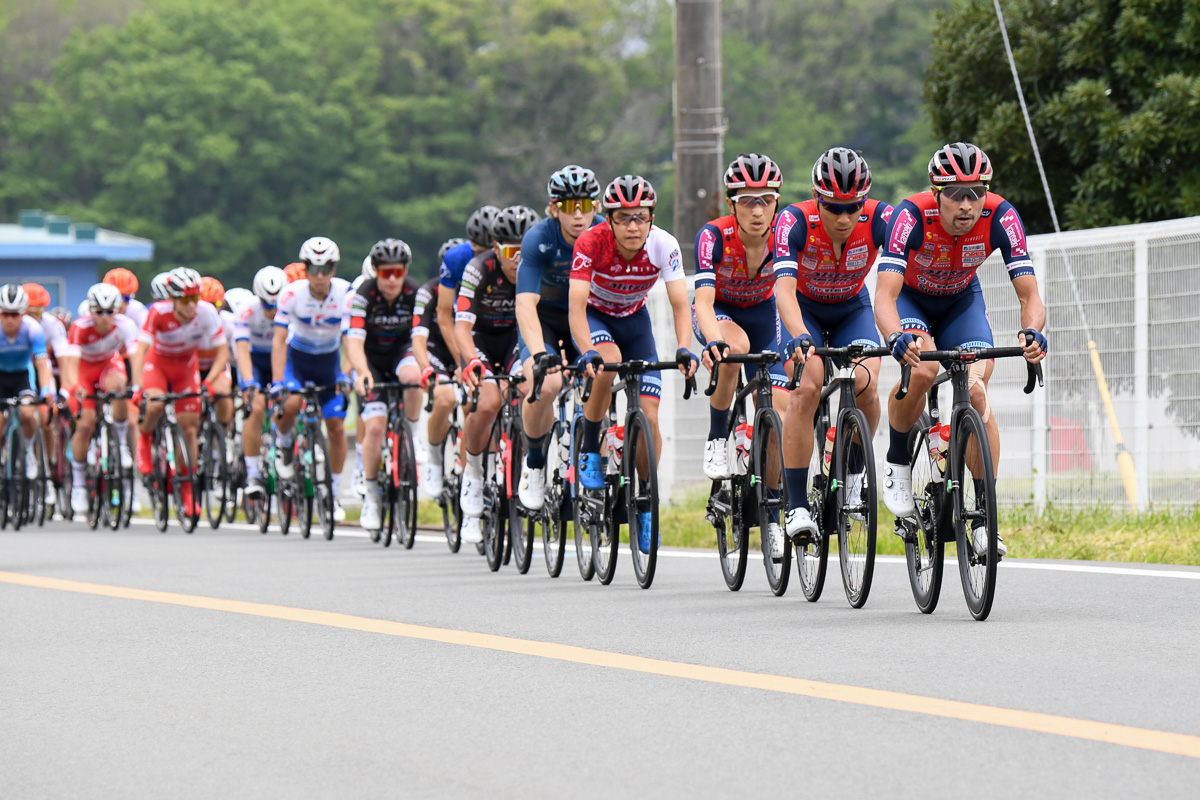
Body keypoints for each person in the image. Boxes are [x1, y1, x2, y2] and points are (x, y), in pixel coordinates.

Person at [875, 142, 1048, 558]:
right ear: (937, 193)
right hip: (911, 300)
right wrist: (896, 335)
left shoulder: (1001, 215)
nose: (967, 203)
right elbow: (884, 296)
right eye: (955, 194)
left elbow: (1030, 295)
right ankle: (898, 462)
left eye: (976, 191)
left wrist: (1032, 331)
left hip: (960, 301)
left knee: (974, 389)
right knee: (921, 370)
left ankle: (987, 519)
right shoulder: (910, 215)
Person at [568, 175, 697, 551]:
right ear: (608, 219)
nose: (632, 226)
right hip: (596, 318)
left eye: (640, 217)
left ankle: (644, 501)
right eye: (622, 218)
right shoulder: (590, 242)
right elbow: (576, 306)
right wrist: (586, 348)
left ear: (651, 218)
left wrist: (684, 348)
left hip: (635, 323)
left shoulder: (663, 245)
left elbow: (678, 305)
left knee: (651, 417)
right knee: (608, 363)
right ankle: (591, 446)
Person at [774, 147, 894, 543]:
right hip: (803, 310)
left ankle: (855, 471)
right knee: (807, 385)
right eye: (834, 208)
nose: (845, 218)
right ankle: (794, 506)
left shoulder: (880, 218)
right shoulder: (794, 220)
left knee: (866, 383)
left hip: (850, 308)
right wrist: (798, 335)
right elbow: (784, 291)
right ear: (817, 198)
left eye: (853, 207)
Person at [693, 154, 790, 485]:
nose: (758, 211)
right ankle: (718, 437)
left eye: (766, 200)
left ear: (777, 202)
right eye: (747, 201)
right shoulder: (713, 236)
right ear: (733, 206)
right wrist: (713, 340)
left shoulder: (785, 235)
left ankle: (772, 513)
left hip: (763, 314)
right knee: (734, 347)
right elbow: (702, 302)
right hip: (720, 311)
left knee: (781, 412)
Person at [514, 165, 604, 510]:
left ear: (596, 206)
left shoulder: (604, 233)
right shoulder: (539, 238)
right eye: (568, 207)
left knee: (604, 373)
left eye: (584, 205)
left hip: (587, 315)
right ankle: (535, 462)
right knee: (547, 386)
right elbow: (525, 305)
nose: (578, 214)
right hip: (547, 318)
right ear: (554, 209)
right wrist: (538, 356)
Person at [455, 205, 540, 544]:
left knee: (532, 389)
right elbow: (462, 326)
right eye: (509, 252)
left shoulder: (541, 267)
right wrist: (472, 360)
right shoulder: (479, 269)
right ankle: (473, 474)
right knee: (488, 402)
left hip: (516, 343)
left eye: (524, 251)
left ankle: (529, 466)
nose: (518, 260)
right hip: (481, 342)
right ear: (495, 248)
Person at [130, 268, 228, 517]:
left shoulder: (206, 313)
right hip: (159, 364)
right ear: (172, 299)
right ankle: (144, 437)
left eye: (195, 299)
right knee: (154, 406)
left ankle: (187, 489)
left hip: (186, 366)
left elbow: (223, 353)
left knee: (190, 427)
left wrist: (211, 381)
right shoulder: (158, 312)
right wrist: (138, 386)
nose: (191, 306)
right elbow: (141, 349)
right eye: (185, 300)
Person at [270, 237, 353, 523]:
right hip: (299, 361)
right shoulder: (291, 294)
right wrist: (278, 380)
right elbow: (279, 340)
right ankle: (283, 444)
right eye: (313, 268)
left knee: (338, 428)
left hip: (329, 363)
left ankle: (333, 493)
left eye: (326, 268)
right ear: (305, 269)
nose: (320, 275)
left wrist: (345, 373)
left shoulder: (346, 293)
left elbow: (351, 339)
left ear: (334, 268)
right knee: (290, 404)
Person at [345, 238, 422, 531]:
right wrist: (362, 371)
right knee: (375, 427)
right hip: (372, 361)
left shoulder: (414, 292)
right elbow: (353, 342)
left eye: (398, 272)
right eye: (386, 272)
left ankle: (411, 433)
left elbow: (420, 337)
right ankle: (372, 498)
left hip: (401, 354)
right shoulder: (363, 295)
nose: (392, 279)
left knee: (413, 378)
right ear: (375, 271)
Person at [58, 284, 139, 513]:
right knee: (84, 425)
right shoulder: (79, 327)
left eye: (109, 312)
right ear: (90, 311)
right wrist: (74, 386)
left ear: (118, 311)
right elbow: (71, 363)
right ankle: (80, 486)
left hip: (107, 366)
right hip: (84, 370)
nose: (104, 318)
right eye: (98, 312)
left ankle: (121, 443)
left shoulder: (126, 326)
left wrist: (140, 385)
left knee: (119, 387)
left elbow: (135, 358)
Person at [413, 238, 464, 498]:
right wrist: (425, 367)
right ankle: (433, 458)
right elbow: (418, 338)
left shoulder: (478, 288)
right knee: (444, 398)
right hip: (436, 351)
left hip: (466, 353)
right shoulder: (428, 291)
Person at [233, 266, 286, 500]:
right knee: (256, 407)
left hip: (279, 358)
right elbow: (242, 351)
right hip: (254, 360)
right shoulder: (246, 312)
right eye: (267, 305)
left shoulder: (289, 310)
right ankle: (253, 474)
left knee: (286, 404)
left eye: (277, 305)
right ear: (258, 298)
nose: (273, 311)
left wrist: (281, 382)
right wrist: (249, 383)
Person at [0, 285, 57, 486]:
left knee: (27, 413)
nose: (9, 319)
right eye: (5, 313)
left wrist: (45, 390)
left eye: (15, 314)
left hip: (22, 376)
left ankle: (28, 451)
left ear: (23, 313)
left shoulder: (33, 329)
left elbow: (42, 363)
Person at [437, 205, 500, 371]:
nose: (486, 260)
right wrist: (462, 361)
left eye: (492, 253)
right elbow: (444, 315)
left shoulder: (514, 256)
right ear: (471, 243)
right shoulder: (456, 258)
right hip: (470, 320)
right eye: (481, 253)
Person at [197, 276, 234, 427]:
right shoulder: (188, 322)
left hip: (217, 368)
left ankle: (221, 440)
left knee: (224, 394)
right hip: (193, 368)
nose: (210, 311)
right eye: (205, 305)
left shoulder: (229, 323)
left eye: (216, 304)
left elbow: (234, 356)